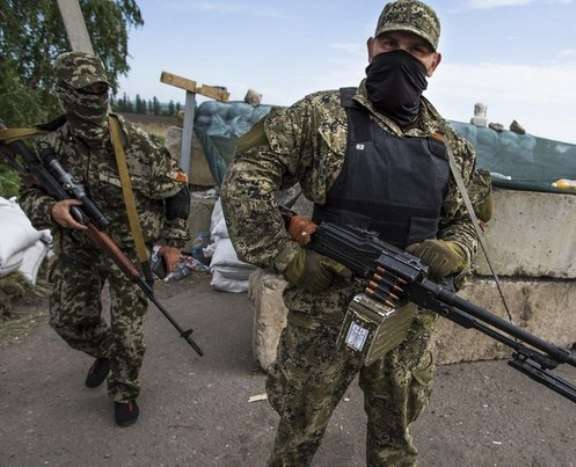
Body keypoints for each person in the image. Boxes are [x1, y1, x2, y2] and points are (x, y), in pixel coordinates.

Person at [222, 0, 480, 464]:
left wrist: (455, 251)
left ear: (434, 62)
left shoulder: (451, 146)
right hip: (325, 310)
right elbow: (246, 176)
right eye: (391, 44)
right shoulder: (321, 116)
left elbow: (469, 221)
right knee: (298, 429)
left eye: (417, 49)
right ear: (370, 48)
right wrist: (286, 257)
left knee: (394, 440)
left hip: (406, 317)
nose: (402, 56)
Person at [19, 51, 190, 427]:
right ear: (64, 94)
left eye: (100, 90)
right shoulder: (50, 146)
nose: (94, 98)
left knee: (130, 334)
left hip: (130, 249)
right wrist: (52, 210)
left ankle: (124, 391)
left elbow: (178, 189)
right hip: (78, 248)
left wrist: (174, 242)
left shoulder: (137, 142)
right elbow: (28, 193)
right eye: (84, 91)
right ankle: (108, 352)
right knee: (68, 321)